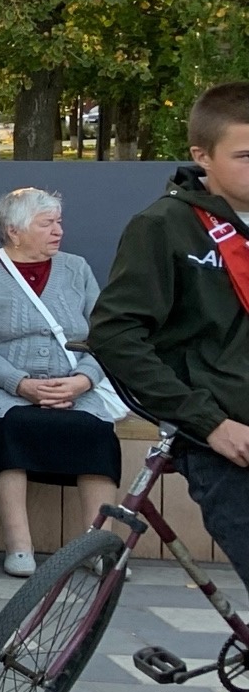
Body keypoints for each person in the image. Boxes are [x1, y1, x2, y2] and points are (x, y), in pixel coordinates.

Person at [90, 81, 249, 597]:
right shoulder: (163, 226)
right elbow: (115, 334)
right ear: (202, 157)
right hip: (225, 441)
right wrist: (208, 422)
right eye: (245, 155)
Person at [0, 187, 122, 578]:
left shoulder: (77, 269)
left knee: (97, 433)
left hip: (74, 383)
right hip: (6, 388)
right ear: (14, 231)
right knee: (9, 428)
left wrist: (83, 381)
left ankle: (98, 544)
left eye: (58, 222)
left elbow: (108, 336)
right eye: (47, 223)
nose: (58, 230)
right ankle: (19, 546)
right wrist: (20, 384)